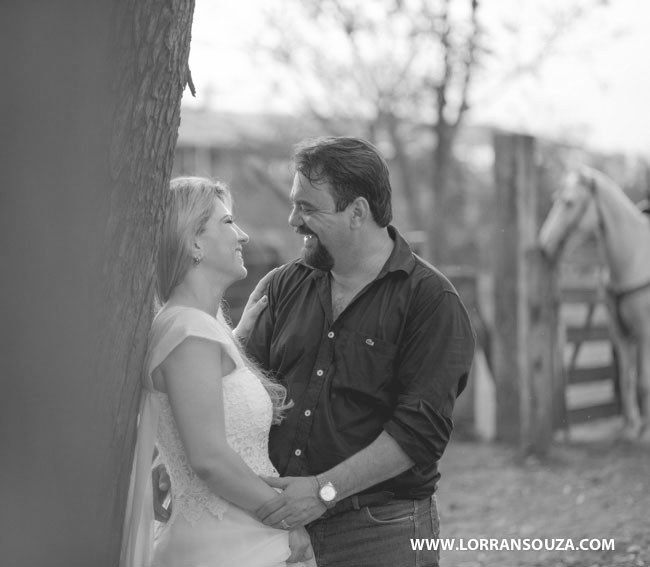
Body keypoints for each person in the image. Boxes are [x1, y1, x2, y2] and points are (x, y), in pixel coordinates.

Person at [241, 136, 476, 566]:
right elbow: (246, 400)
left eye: (309, 208)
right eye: (295, 204)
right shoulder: (281, 287)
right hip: (279, 529)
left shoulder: (431, 302)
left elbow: (418, 434)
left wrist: (322, 492)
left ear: (358, 213)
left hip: (380, 533)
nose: (294, 220)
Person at [120, 177, 316, 567]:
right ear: (193, 242)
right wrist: (286, 517)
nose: (242, 236)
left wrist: (234, 337)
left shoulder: (194, 329)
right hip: (227, 550)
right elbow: (209, 457)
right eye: (227, 223)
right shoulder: (188, 332)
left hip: (243, 543)